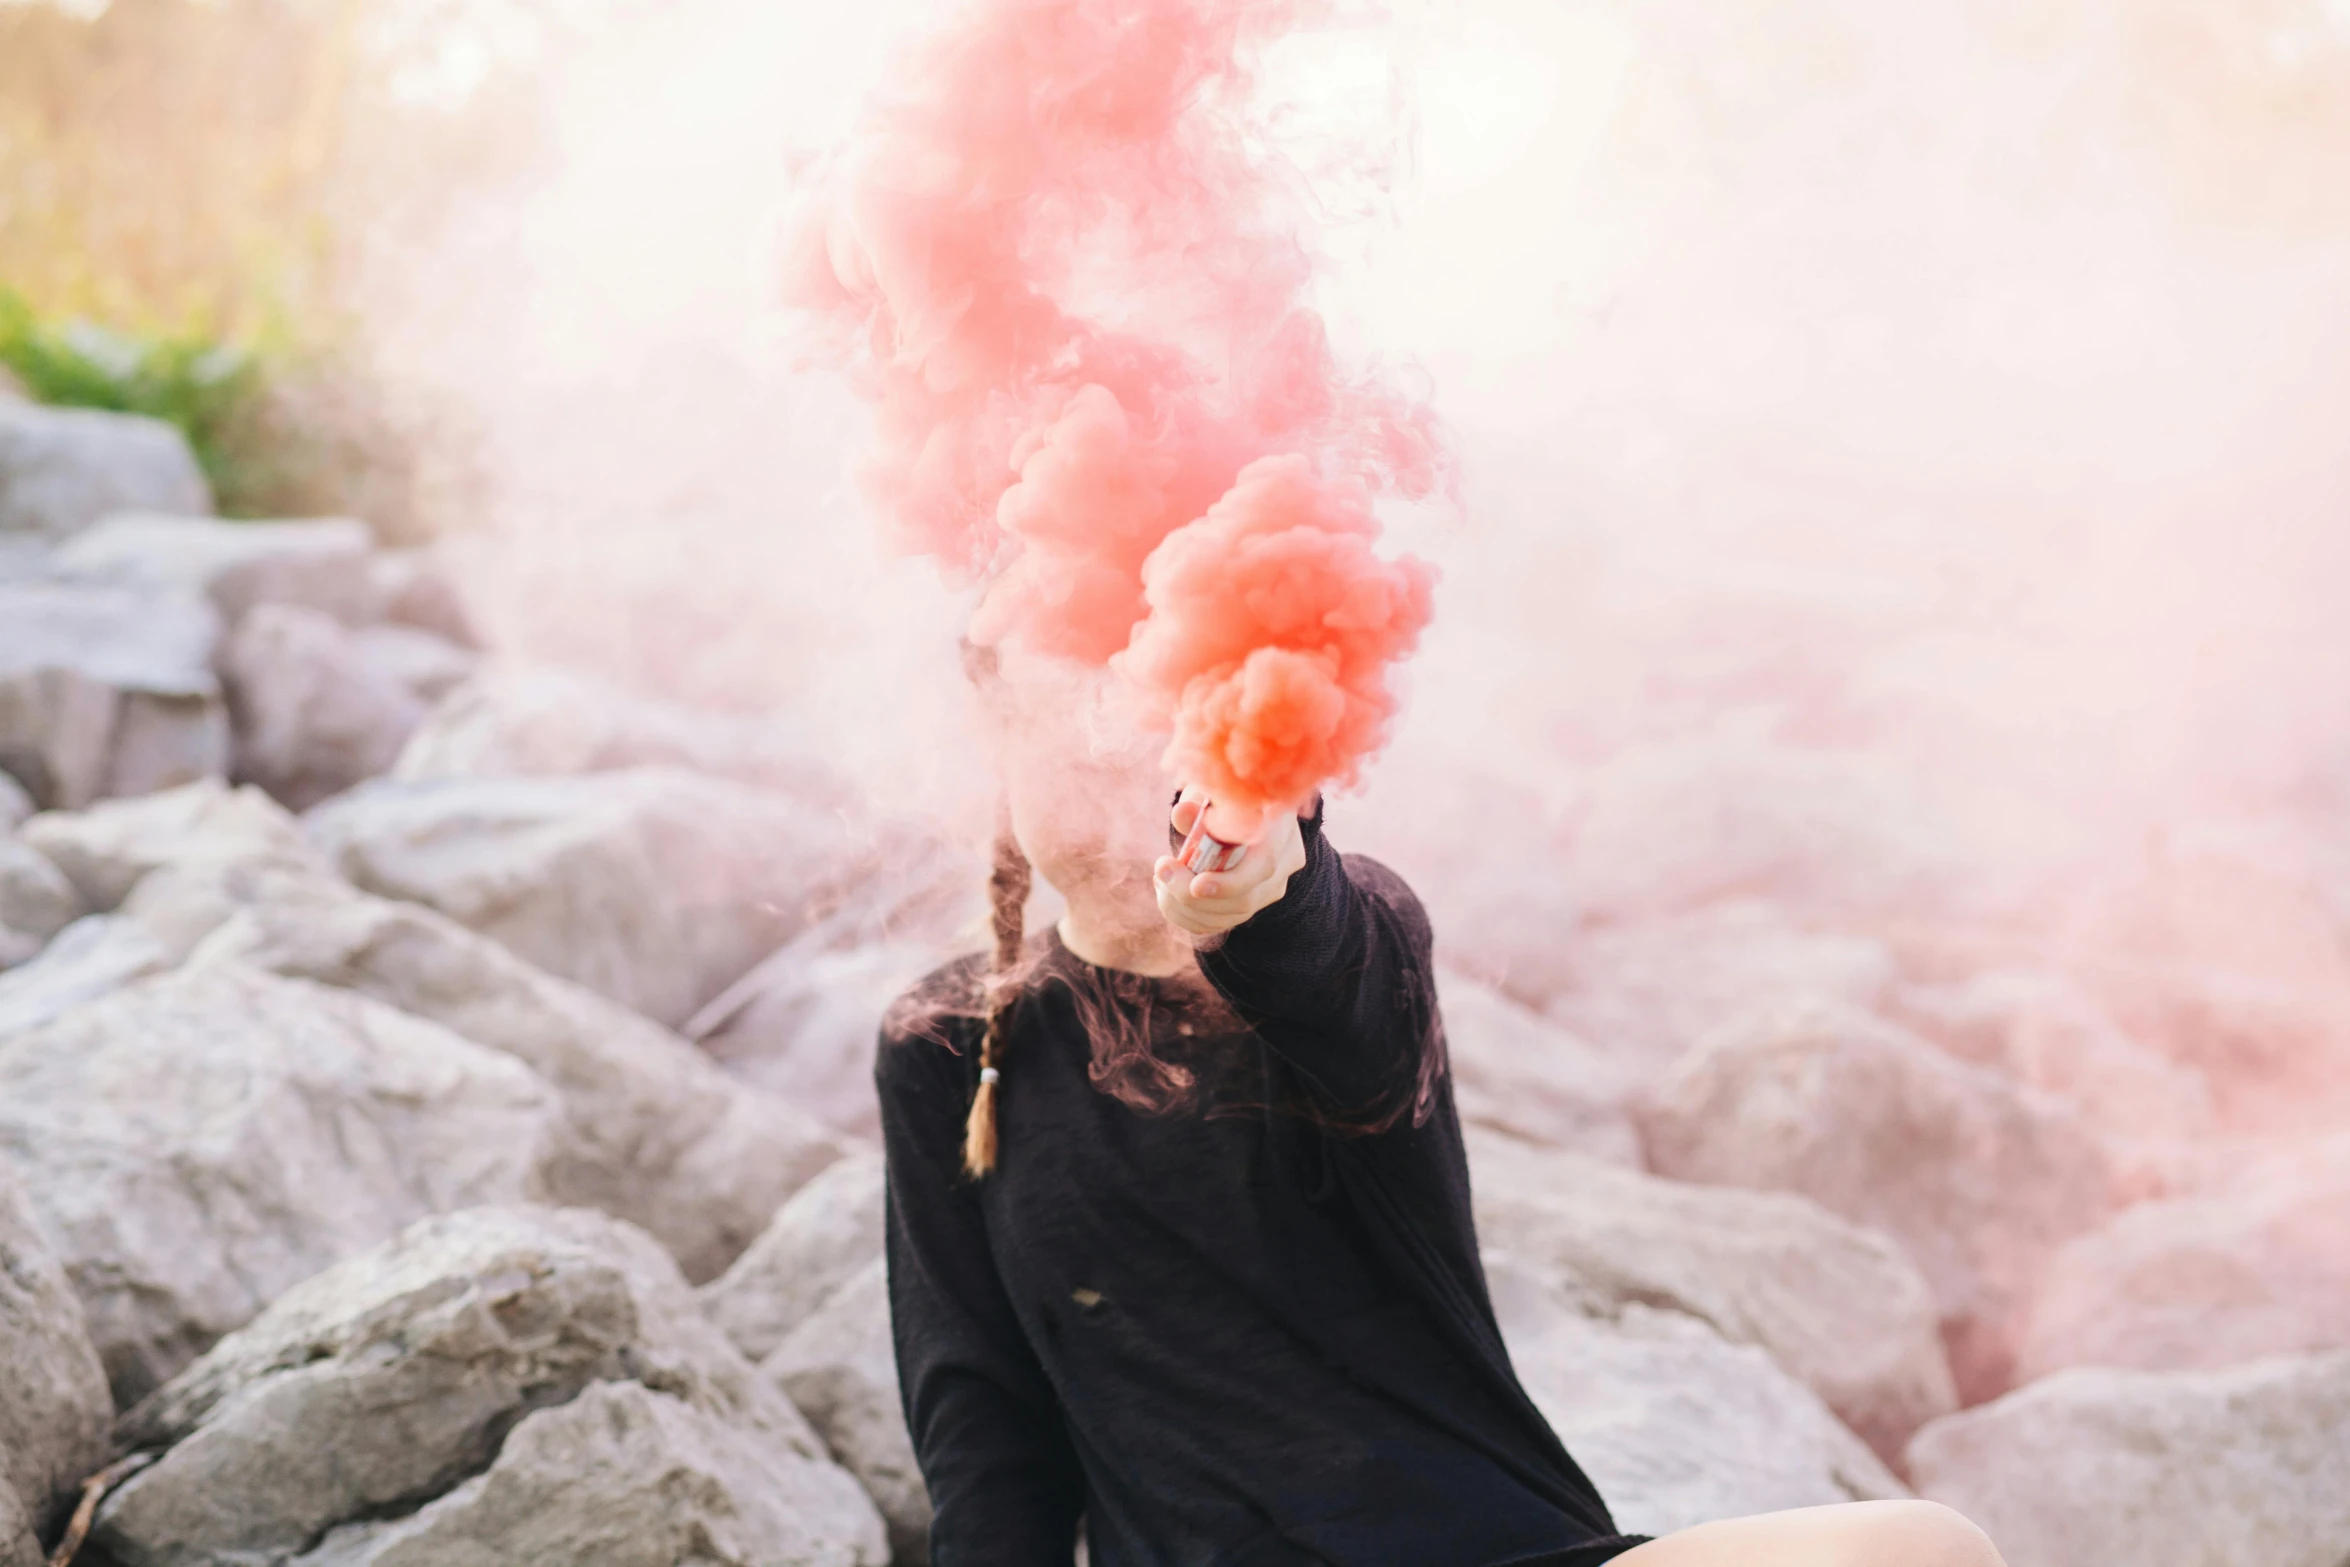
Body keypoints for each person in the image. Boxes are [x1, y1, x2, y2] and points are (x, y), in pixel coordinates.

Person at [876, 702, 2008, 1567]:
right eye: (1050, 718)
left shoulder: (1341, 942)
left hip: (1492, 1549)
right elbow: (984, 1430)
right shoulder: (945, 1041)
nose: (1097, 751)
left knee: (1926, 1549)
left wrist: (1263, 878)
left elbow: (1318, 957)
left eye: (1134, 710)